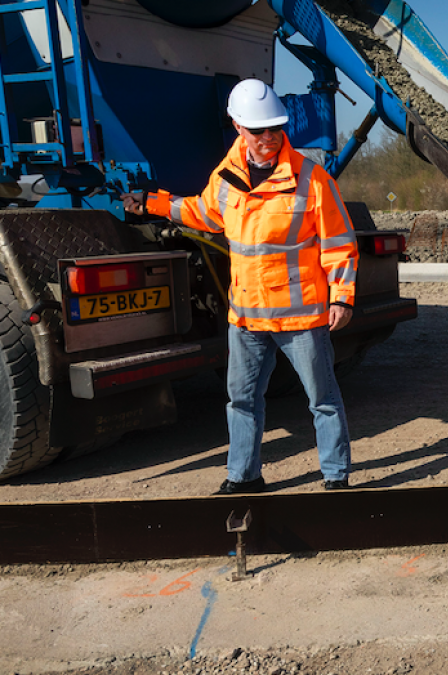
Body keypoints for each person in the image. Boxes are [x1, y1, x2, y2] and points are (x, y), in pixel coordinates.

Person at [122, 79, 359, 493]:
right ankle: (243, 477)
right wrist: (154, 203)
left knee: (322, 400)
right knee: (242, 402)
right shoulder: (227, 178)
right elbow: (202, 212)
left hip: (301, 318)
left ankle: (335, 477)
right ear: (238, 127)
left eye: (274, 129)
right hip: (247, 319)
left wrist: (341, 296)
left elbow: (339, 243)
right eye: (258, 131)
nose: (268, 138)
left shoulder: (312, 179)